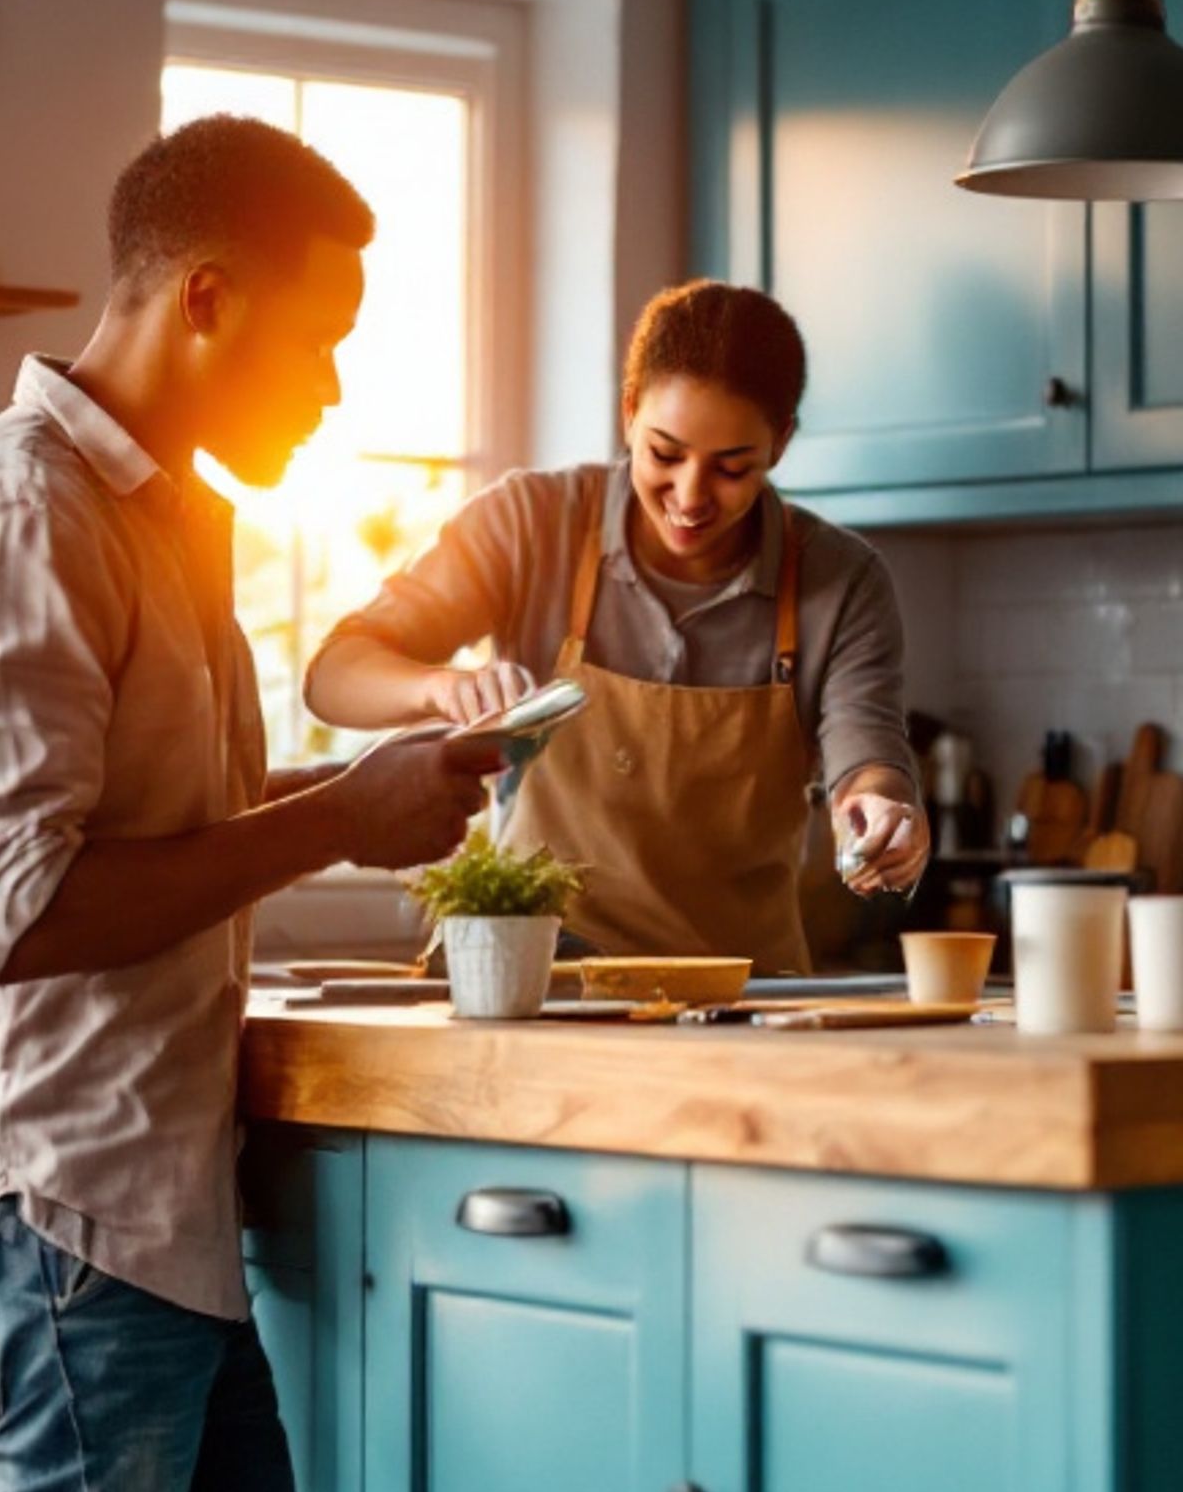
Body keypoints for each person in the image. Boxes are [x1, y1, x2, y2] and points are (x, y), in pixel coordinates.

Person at [0, 114, 507, 1492]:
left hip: (135, 1212)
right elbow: (22, 906)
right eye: (321, 340)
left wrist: (367, 790)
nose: (335, 388)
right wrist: (344, 816)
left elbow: (150, 816)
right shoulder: (26, 513)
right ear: (205, 296)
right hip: (50, 1215)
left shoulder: (150, 520)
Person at [304, 279, 928, 978]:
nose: (690, 497)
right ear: (629, 412)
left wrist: (881, 809)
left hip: (744, 1001)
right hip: (539, 985)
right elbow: (334, 678)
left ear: (779, 444)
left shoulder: (840, 581)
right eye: (664, 454)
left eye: (731, 468)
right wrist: (441, 688)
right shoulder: (530, 522)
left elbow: (865, 755)